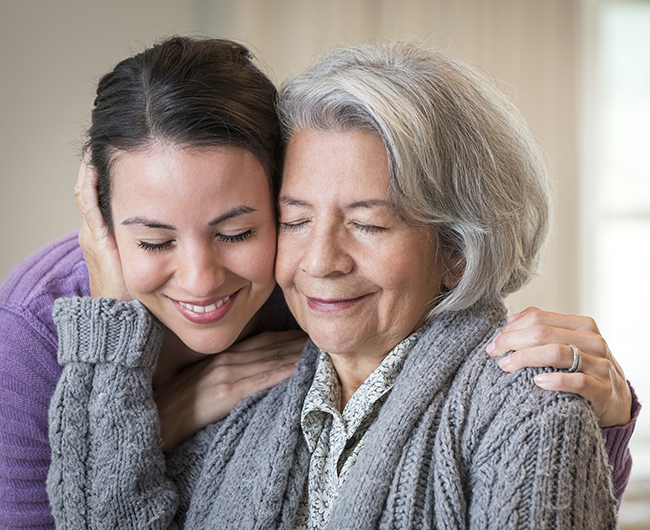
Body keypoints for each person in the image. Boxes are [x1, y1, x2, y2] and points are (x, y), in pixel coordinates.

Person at [45, 40, 638, 528]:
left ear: (456, 249)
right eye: (295, 220)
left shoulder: (527, 409)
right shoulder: (247, 395)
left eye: (369, 224)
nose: (320, 261)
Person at [0, 36, 308, 530]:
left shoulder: (305, 282)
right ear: (100, 219)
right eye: (154, 241)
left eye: (237, 233)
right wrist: (169, 415)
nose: (200, 279)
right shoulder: (30, 333)